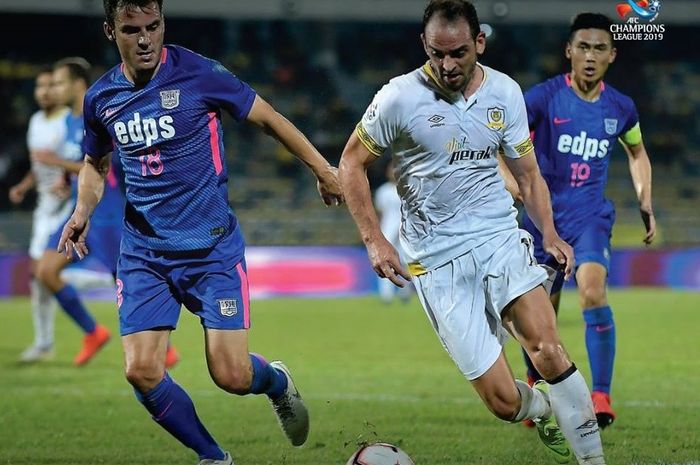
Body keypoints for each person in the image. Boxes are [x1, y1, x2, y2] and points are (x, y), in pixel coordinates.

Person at [58, 1, 342, 464]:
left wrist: (322, 169)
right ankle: (214, 457)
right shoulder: (101, 98)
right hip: (144, 252)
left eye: (154, 26)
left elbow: (268, 117)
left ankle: (276, 381)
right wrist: (82, 208)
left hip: (211, 250)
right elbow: (95, 161)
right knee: (142, 371)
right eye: (133, 30)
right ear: (111, 31)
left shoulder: (199, 73)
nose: (146, 39)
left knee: (231, 375)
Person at [339, 1, 605, 464]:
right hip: (436, 262)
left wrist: (550, 234)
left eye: (458, 53)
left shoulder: (504, 93)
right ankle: (542, 408)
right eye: (437, 53)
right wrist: (375, 240)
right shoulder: (399, 98)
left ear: (478, 43)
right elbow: (351, 163)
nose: (447, 65)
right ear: (424, 45)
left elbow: (527, 176)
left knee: (549, 349)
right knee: (504, 402)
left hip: (498, 238)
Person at [505, 13, 655, 429]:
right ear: (569, 52)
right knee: (539, 312)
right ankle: (537, 388)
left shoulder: (621, 108)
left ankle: (601, 395)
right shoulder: (542, 98)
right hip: (543, 219)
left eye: (599, 48)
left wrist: (646, 200)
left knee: (592, 291)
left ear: (612, 55)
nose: (590, 56)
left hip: (590, 217)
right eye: (583, 47)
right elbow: (502, 141)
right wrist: (510, 181)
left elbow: (637, 151)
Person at [36, 57, 180, 369]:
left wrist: (56, 163)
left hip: (109, 211)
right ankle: (93, 332)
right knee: (45, 270)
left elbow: (108, 167)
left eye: (59, 83)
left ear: (77, 85)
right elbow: (82, 160)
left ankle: (162, 346)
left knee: (126, 283)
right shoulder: (68, 122)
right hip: (79, 210)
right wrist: (65, 178)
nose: (54, 89)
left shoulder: (101, 109)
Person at [9, 68, 70, 363]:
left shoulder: (69, 120)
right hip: (43, 206)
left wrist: (66, 181)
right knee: (40, 277)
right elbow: (39, 164)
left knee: (43, 272)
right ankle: (44, 342)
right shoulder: (35, 121)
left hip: (67, 205)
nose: (44, 92)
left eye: (50, 86)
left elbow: (82, 158)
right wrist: (23, 186)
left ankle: (46, 342)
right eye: (39, 87)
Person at [374, 162, 411, 304]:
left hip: (405, 231)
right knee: (385, 262)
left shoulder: (406, 189)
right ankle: (386, 295)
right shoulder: (383, 191)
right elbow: (381, 213)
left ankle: (405, 292)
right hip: (387, 229)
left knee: (404, 261)